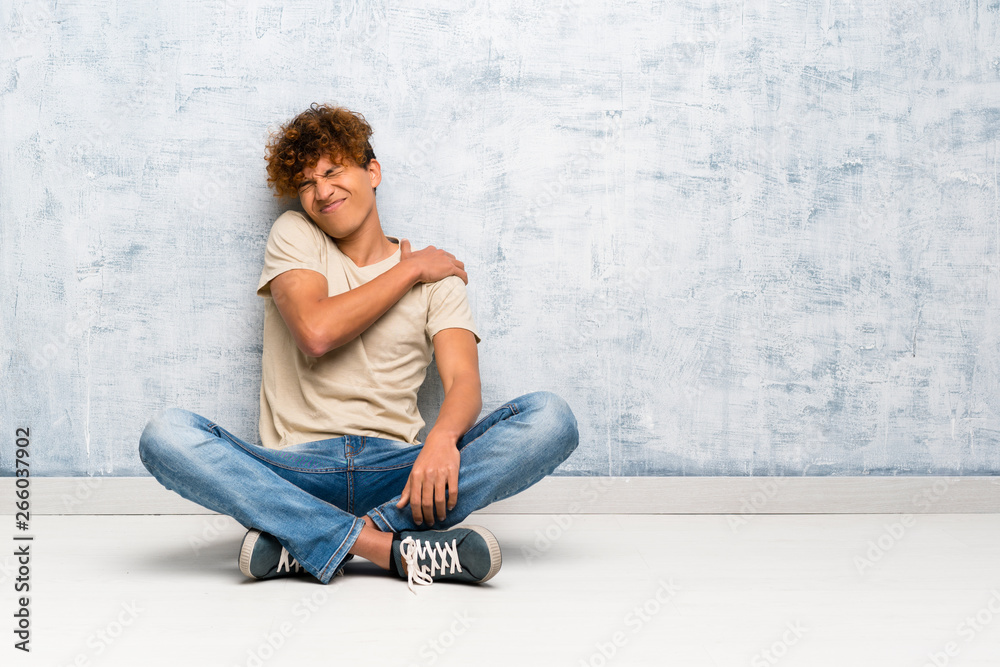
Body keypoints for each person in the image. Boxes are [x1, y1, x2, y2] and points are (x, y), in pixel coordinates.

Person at [138, 103, 580, 593]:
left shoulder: (439, 280)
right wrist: (410, 269)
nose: (321, 191)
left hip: (400, 474)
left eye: (333, 171)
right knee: (166, 435)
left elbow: (463, 381)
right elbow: (316, 332)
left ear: (373, 172)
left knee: (551, 418)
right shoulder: (297, 236)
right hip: (295, 471)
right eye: (306, 182)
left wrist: (442, 439)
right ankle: (386, 548)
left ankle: (308, 540)